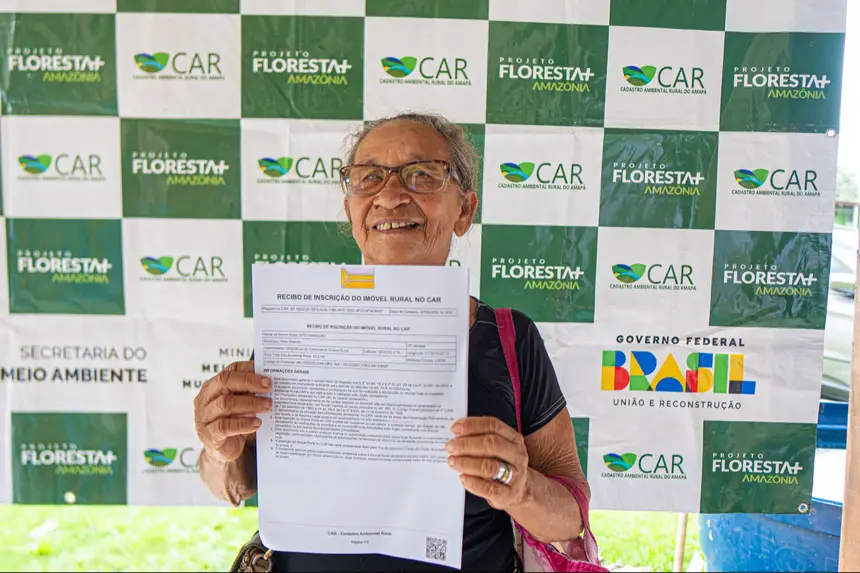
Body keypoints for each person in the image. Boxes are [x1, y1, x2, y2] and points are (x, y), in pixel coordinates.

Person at [193, 111, 591, 572]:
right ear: (351, 211)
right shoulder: (298, 326)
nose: (391, 195)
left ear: (465, 210)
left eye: (423, 175)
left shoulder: (508, 339)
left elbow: (570, 519)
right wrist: (218, 449)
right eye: (368, 178)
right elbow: (234, 484)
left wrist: (521, 489)